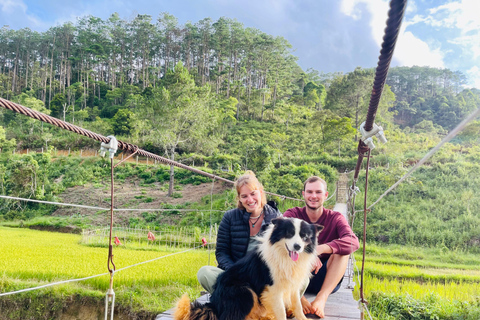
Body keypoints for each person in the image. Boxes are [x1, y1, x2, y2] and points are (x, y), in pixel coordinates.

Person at [283, 176, 359, 318]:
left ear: (325, 195)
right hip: (295, 277)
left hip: (324, 277)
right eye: (309, 192)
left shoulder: (335, 218)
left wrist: (322, 248)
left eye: (318, 192)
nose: (313, 196)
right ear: (303, 194)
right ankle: (298, 297)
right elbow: (277, 239)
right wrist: (309, 255)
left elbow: (353, 241)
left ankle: (321, 299)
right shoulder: (293, 214)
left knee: (342, 252)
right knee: (283, 249)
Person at [197, 170, 281, 293]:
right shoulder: (230, 217)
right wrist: (236, 272)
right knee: (204, 273)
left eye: (253, 194)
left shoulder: (277, 218)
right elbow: (222, 252)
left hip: (265, 278)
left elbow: (282, 254)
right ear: (239, 198)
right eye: (244, 196)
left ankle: (246, 300)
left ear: (261, 192)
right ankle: (244, 299)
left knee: (302, 281)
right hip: (236, 276)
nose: (250, 199)